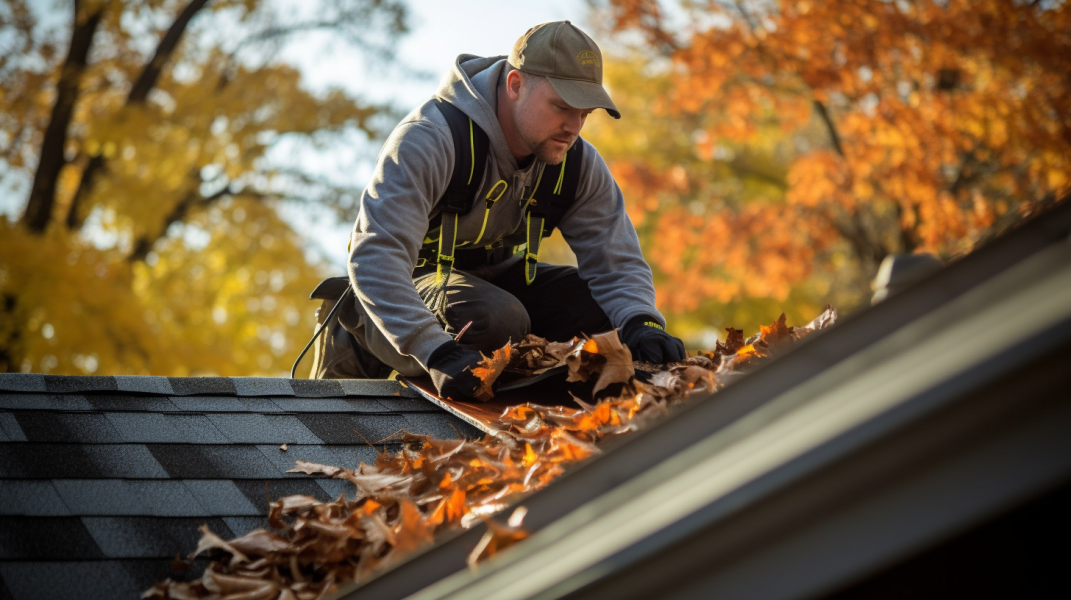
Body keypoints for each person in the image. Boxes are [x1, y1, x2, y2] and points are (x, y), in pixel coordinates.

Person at [313, 20, 685, 400]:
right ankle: (363, 335)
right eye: (561, 106)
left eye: (585, 113)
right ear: (515, 85)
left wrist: (642, 322)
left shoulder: (578, 162)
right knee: (496, 320)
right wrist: (437, 350)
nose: (574, 127)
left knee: (611, 319)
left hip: (493, 281)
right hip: (404, 285)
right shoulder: (431, 139)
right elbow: (375, 256)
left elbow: (617, 262)